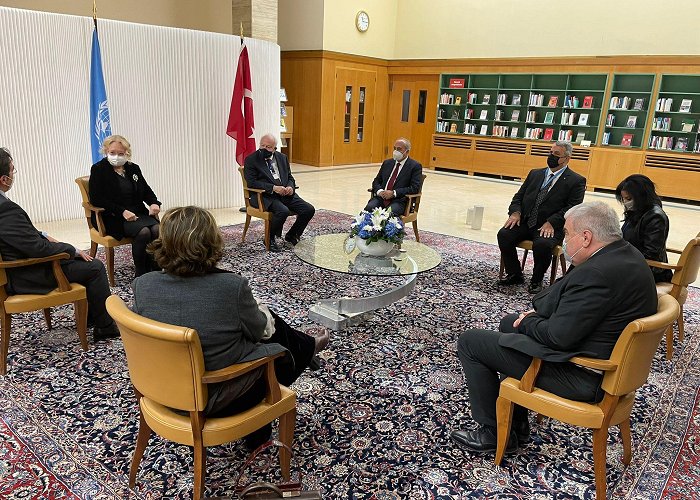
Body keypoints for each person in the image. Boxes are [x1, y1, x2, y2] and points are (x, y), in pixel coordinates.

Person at [451, 201, 657, 454]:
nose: (565, 240)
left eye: (567, 234)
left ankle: (492, 433)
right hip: (602, 358)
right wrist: (530, 319)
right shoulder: (626, 254)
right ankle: (516, 423)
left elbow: (558, 338)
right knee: (509, 323)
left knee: (472, 341)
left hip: (584, 374)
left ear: (586, 237)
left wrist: (529, 320)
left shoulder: (597, 274)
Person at [131, 206, 329, 446]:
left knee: (257, 326)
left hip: (161, 391)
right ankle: (306, 350)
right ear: (211, 242)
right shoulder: (230, 287)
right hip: (218, 397)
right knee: (274, 340)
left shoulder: (144, 285)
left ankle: (307, 347)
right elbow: (261, 332)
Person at [0, 148, 119, 340]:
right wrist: (70, 249)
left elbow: (20, 235)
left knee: (82, 263)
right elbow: (36, 249)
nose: (14, 174)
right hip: (25, 274)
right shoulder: (5, 209)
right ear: (4, 179)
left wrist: (44, 234)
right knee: (94, 266)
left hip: (18, 267)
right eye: (13, 170)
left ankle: (92, 317)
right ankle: (105, 327)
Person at [497, 140, 586, 294]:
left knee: (543, 245)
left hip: (551, 226)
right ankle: (515, 273)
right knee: (504, 234)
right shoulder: (535, 173)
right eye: (550, 152)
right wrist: (515, 212)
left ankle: (536, 280)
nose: (551, 156)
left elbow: (573, 208)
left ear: (567, 158)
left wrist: (552, 222)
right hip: (526, 221)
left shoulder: (576, 181)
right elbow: (518, 197)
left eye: (556, 154)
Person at [89, 135, 161, 277]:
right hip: (112, 217)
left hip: (137, 213)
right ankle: (141, 273)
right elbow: (97, 199)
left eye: (120, 153)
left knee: (157, 229)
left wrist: (154, 203)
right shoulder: (98, 169)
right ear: (106, 151)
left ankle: (156, 270)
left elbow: (146, 190)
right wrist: (122, 211)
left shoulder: (133, 168)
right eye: (112, 152)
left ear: (127, 153)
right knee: (144, 232)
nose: (116, 156)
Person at [243, 134, 315, 252]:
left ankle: (292, 235)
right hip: (264, 196)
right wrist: (273, 188)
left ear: (275, 148)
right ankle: (269, 238)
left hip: (285, 194)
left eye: (268, 147)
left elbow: (290, 177)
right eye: (262, 145)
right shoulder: (251, 159)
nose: (264, 149)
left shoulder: (282, 157)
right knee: (283, 211)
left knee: (308, 209)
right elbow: (251, 183)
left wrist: (290, 187)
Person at [615, 174, 673, 283]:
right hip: (632, 262)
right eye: (623, 199)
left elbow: (651, 255)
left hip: (649, 271)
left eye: (629, 198)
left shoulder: (655, 217)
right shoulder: (637, 211)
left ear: (641, 196)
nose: (626, 202)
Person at [365, 137, 423, 216]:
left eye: (399, 149)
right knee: (369, 209)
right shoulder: (387, 163)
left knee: (388, 215)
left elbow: (414, 188)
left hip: (399, 200)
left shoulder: (415, 166)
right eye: (394, 148)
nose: (396, 151)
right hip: (381, 198)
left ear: (407, 151)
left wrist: (394, 193)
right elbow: (376, 181)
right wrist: (380, 191)